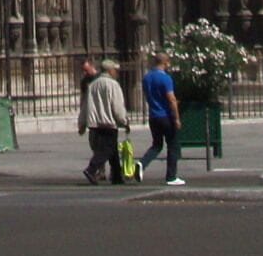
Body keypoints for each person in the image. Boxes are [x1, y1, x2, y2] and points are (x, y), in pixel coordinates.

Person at [77, 59, 130, 185]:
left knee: (112, 150)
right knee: (107, 149)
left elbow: (85, 105)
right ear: (110, 70)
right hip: (108, 123)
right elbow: (117, 107)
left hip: (95, 123)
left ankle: (116, 175)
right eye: (115, 70)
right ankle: (91, 169)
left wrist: (82, 123)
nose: (116, 72)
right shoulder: (113, 85)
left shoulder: (93, 84)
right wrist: (124, 121)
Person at [136, 51, 183, 185]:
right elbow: (171, 99)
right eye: (168, 62)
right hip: (165, 116)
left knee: (156, 145)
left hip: (153, 115)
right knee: (173, 145)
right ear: (165, 62)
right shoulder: (165, 78)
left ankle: (142, 163)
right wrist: (177, 118)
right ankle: (171, 176)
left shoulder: (146, 78)